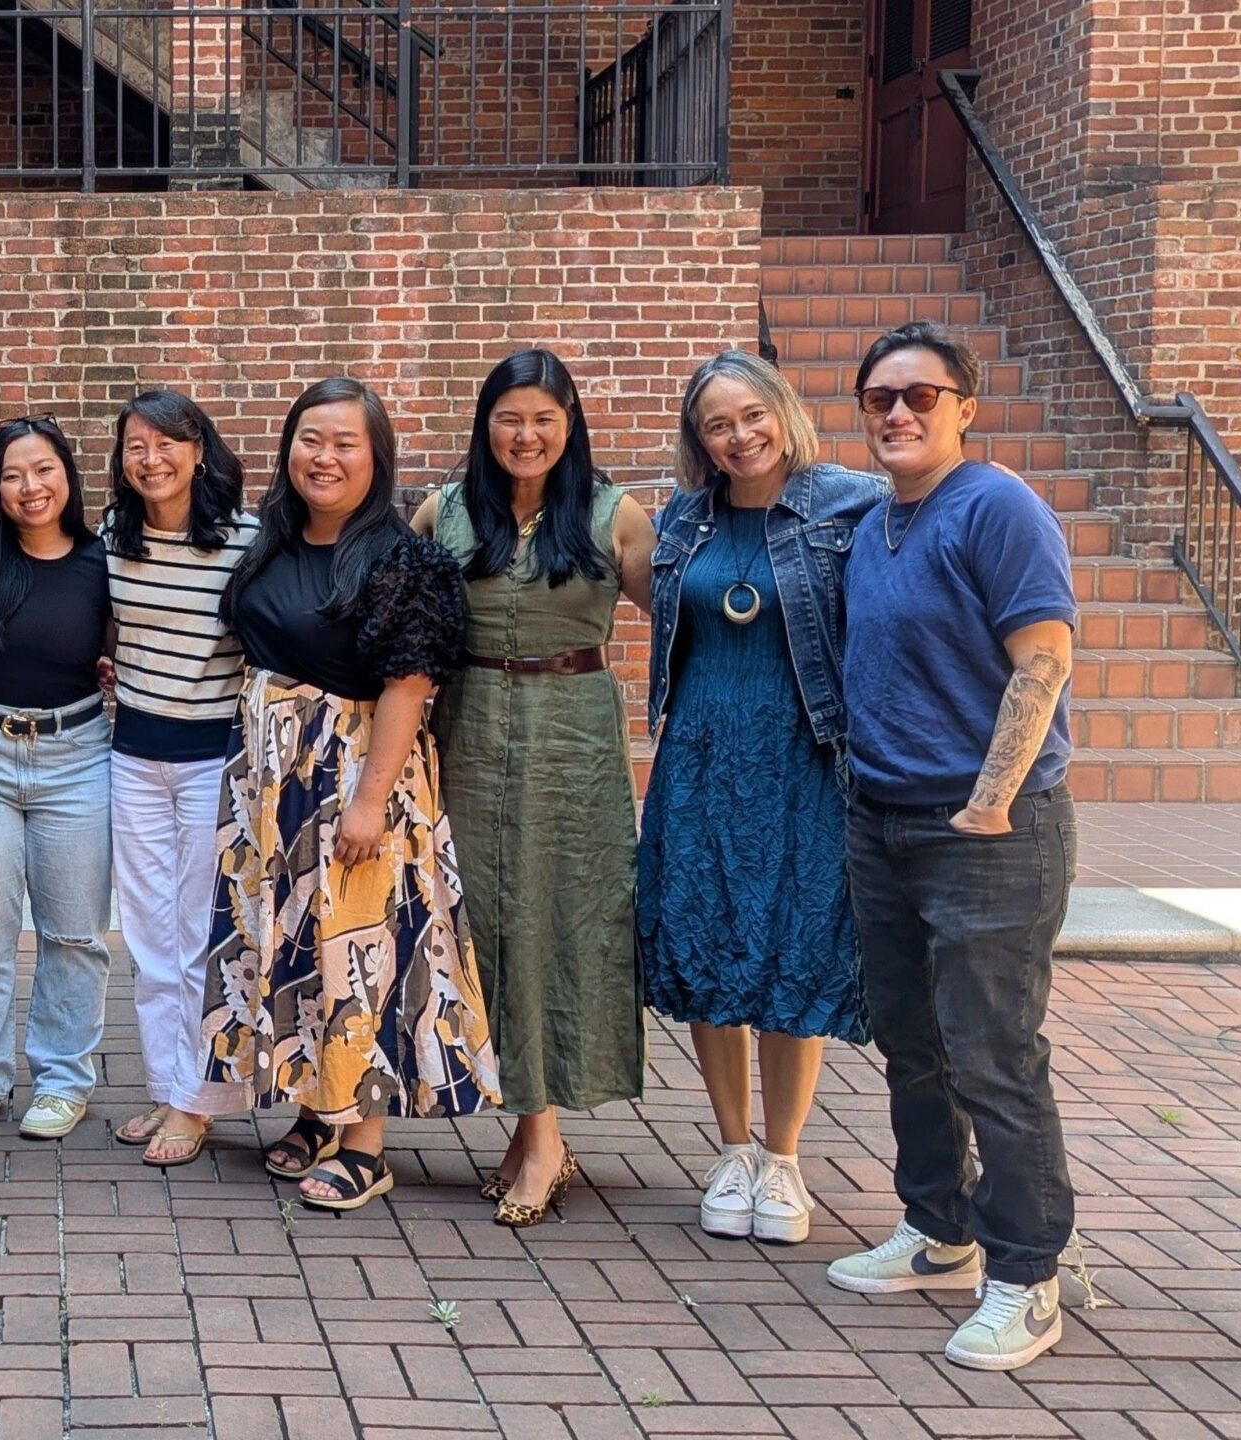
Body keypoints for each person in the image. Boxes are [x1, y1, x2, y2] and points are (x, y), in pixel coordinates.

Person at [825, 321, 1079, 1373]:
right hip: (883, 822)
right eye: (879, 396)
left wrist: (986, 801)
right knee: (912, 1043)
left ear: (964, 408)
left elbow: (1044, 659)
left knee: (994, 1057)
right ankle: (939, 1233)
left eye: (921, 396)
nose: (897, 412)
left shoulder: (997, 507)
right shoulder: (882, 519)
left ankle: (1026, 1276)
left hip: (988, 833)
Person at [199, 376, 498, 1213]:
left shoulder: (404, 559)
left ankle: (365, 1141)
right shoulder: (273, 542)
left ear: (377, 458)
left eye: (344, 444)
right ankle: (312, 1108)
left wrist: (368, 802)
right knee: (289, 942)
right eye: (309, 439)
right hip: (270, 780)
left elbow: (409, 685)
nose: (323, 458)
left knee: (358, 947)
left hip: (353, 775)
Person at [636, 351, 885, 1243]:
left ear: (781, 412)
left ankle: (783, 1160)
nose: (739, 436)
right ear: (697, 440)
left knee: (795, 942)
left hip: (803, 751)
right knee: (706, 937)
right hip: (700, 750)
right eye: (717, 424)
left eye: (751, 416)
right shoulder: (680, 522)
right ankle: (731, 1148)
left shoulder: (849, 503)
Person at [414, 348, 655, 1229]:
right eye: (511, 418)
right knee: (480, 920)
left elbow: (685, 617)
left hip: (574, 737)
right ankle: (530, 1133)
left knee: (557, 917)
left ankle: (542, 1136)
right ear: (487, 424)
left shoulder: (613, 514)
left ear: (570, 425)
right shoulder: (442, 511)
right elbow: (401, 625)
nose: (527, 435)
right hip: (468, 729)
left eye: (545, 419)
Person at [0, 417, 114, 1142]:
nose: (29, 488)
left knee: (74, 931)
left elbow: (125, 649)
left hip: (76, 755)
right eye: (11, 475)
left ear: (67, 476)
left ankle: (63, 1080)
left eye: (43, 471)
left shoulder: (103, 561)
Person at [102, 391, 254, 1167]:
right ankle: (170, 1089)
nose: (151, 458)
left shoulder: (246, 540)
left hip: (210, 759)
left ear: (200, 451)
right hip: (132, 754)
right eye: (136, 446)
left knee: (198, 931)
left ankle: (199, 1104)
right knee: (149, 934)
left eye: (167, 443)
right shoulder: (113, 538)